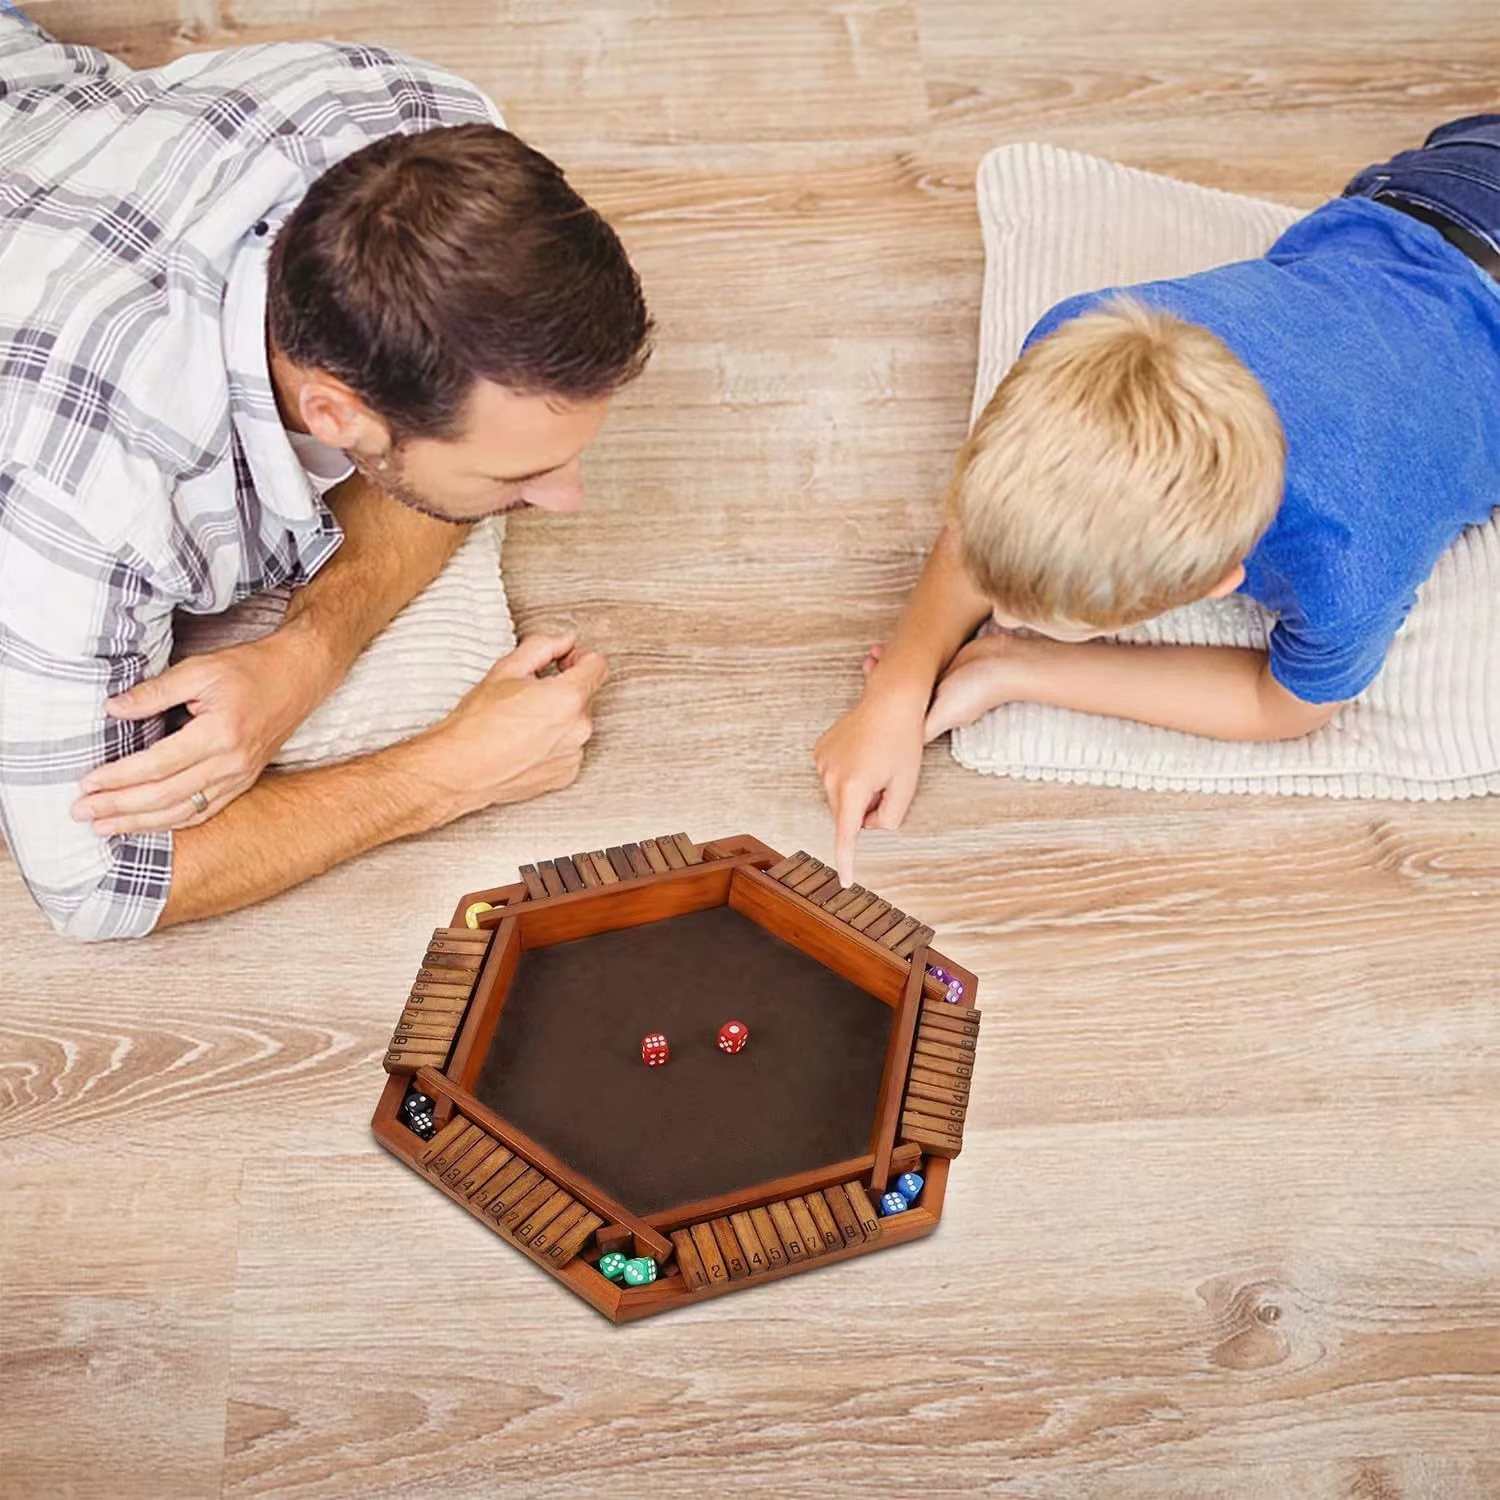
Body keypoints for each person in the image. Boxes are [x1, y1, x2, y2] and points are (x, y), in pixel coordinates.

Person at [0, 13, 652, 939]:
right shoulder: (87, 504)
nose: (568, 498)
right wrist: (448, 773)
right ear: (338, 416)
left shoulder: (420, 122)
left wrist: (305, 658)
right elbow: (97, 885)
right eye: (522, 473)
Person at [817, 116, 1500, 882]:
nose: (999, 613)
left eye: (1033, 618)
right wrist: (896, 689)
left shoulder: (1349, 560)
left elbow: (1285, 708)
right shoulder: (1070, 335)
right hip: (1438, 186)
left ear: (1218, 584)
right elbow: (980, 531)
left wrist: (1022, 668)